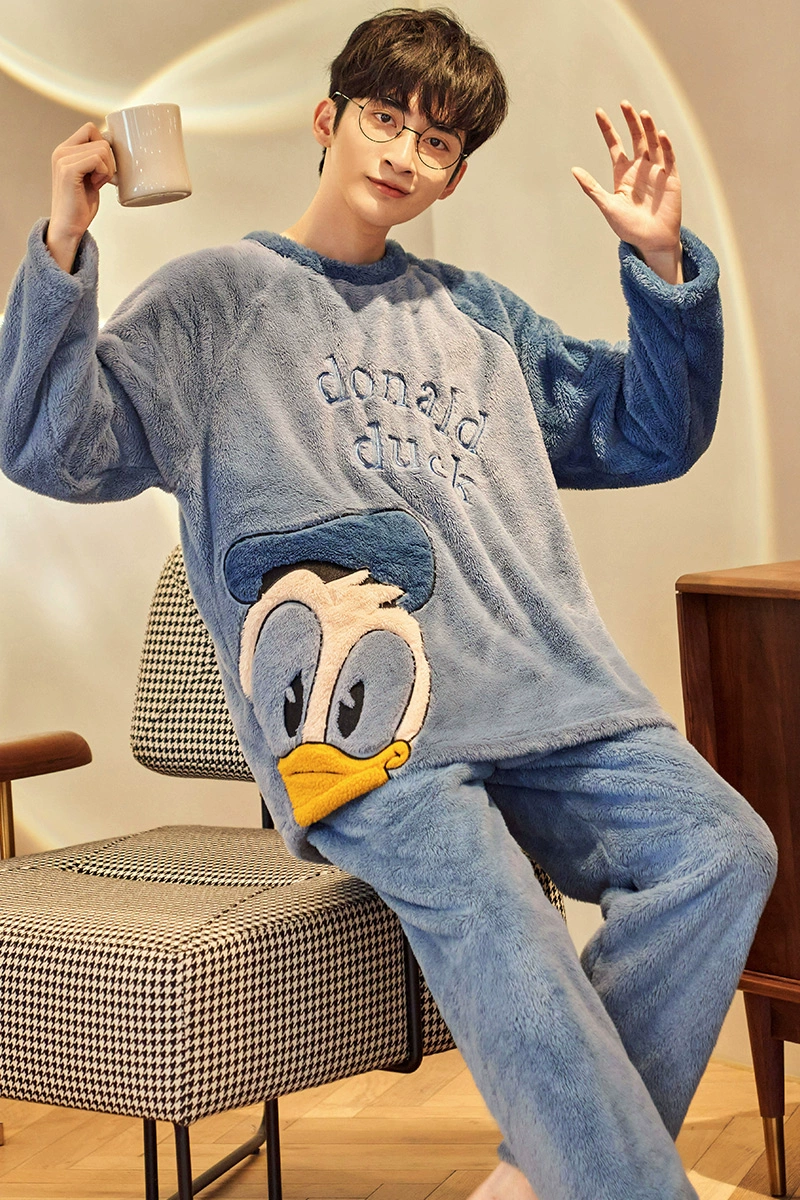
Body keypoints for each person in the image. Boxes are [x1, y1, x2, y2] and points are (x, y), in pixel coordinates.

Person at [0, 8, 778, 1199]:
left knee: (720, 850)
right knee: (506, 927)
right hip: (368, 728)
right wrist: (64, 244)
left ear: (453, 175)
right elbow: (52, 447)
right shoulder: (211, 301)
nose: (406, 152)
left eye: (438, 142)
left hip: (547, 691)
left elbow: (647, 430)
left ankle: (550, 1175)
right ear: (328, 119)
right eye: (384, 118)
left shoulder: (479, 317)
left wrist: (664, 267)